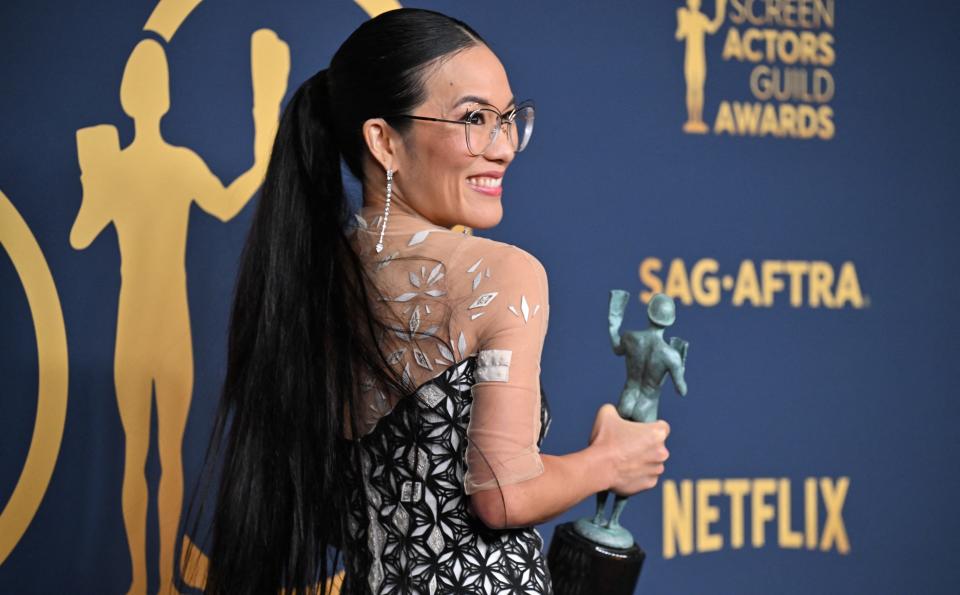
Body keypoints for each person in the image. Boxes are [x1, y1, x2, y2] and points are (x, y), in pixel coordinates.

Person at [194, 8, 671, 594]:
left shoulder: (307, 274)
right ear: (384, 141)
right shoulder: (504, 274)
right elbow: (502, 494)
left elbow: (327, 507)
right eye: (474, 118)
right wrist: (609, 460)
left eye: (508, 119)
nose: (503, 149)